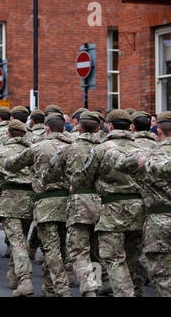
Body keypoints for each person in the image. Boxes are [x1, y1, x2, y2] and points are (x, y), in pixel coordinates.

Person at [4, 112, 73, 297]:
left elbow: (12, 163)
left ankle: (62, 289)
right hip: (69, 203)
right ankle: (50, 286)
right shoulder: (73, 147)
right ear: (64, 128)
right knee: (64, 246)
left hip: (47, 202)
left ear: (47, 129)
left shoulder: (39, 147)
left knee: (51, 248)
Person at [78, 109, 146, 297]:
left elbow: (84, 177)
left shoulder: (101, 149)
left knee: (114, 258)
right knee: (132, 256)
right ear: (130, 127)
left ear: (110, 125)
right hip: (139, 210)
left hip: (112, 210)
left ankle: (125, 293)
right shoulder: (143, 149)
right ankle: (133, 289)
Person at [104, 111, 171, 297]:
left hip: (159, 222)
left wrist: (110, 146)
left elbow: (120, 163)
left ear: (158, 130)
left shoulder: (147, 156)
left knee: (163, 278)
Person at [43, 111, 104, 297]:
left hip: (79, 203)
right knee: (96, 249)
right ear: (99, 128)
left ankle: (89, 289)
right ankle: (98, 283)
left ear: (78, 127)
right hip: (102, 203)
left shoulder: (70, 148)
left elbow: (49, 173)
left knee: (79, 249)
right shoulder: (106, 147)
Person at [0, 119, 35, 297]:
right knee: (21, 239)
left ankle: (25, 279)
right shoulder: (34, 151)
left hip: (10, 199)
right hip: (30, 199)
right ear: (24, 134)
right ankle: (13, 274)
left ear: (8, 133)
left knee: (16, 242)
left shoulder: (1, 152)